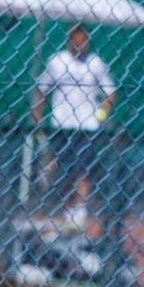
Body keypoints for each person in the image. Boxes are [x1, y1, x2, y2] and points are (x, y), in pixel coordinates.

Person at [30, 24, 117, 232]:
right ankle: (65, 210)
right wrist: (36, 118)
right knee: (63, 169)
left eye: (84, 41)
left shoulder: (95, 64)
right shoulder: (57, 62)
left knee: (82, 169)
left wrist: (100, 115)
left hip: (87, 126)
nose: (80, 45)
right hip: (61, 125)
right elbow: (41, 91)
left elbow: (110, 93)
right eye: (76, 40)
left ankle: (79, 212)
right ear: (69, 41)